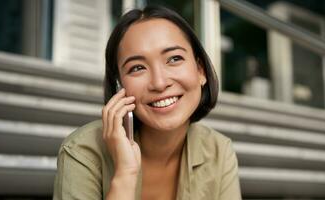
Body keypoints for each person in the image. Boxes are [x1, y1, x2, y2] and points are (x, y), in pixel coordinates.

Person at [53, 5, 242, 200]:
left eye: (174, 59)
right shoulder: (82, 151)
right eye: (137, 68)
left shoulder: (219, 150)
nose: (159, 83)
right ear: (120, 86)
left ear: (200, 71)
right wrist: (125, 174)